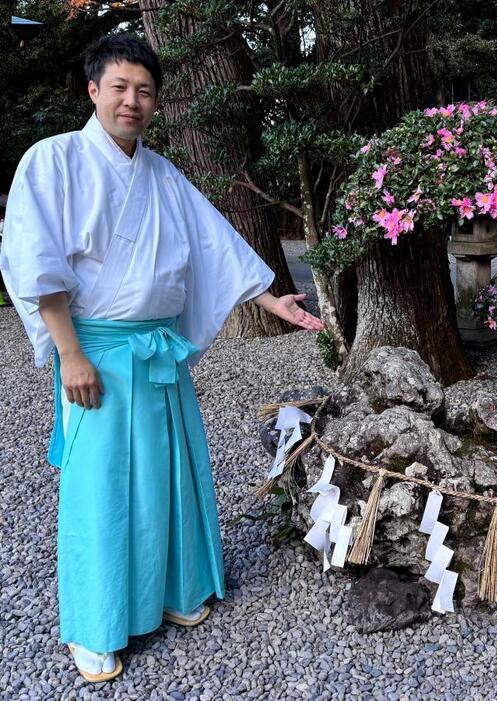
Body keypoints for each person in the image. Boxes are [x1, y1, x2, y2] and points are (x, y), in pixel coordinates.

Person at [0, 33, 323, 682]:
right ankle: (95, 624)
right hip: (97, 351)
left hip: (159, 351)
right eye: (119, 87)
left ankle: (170, 591)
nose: (131, 101)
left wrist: (273, 300)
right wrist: (70, 355)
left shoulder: (161, 172)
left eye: (144, 91)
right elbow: (39, 265)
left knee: (169, 477)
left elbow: (214, 242)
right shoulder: (54, 160)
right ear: (92, 90)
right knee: (102, 488)